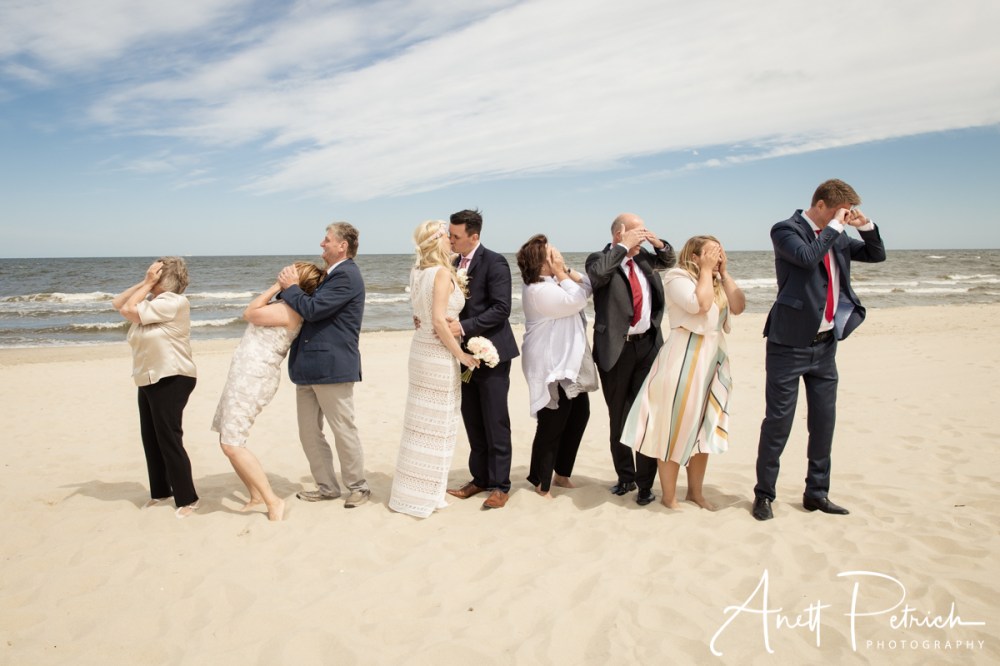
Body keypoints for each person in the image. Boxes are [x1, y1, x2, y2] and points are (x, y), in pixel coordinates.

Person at [752, 179, 886, 521]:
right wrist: (837, 226)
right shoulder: (786, 230)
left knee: (824, 422)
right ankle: (764, 495)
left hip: (826, 345)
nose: (843, 217)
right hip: (788, 344)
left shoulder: (837, 234)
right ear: (822, 205)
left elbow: (875, 254)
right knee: (778, 423)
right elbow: (807, 258)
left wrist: (864, 226)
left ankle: (816, 494)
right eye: (840, 211)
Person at [621, 236, 745, 509]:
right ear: (695, 255)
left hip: (711, 360)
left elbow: (738, 306)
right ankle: (669, 496)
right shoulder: (677, 277)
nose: (717, 257)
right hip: (682, 359)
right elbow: (698, 305)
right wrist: (705, 271)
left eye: (720, 252)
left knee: (703, 428)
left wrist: (723, 274)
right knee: (673, 428)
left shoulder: (715, 281)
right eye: (712, 253)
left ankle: (695, 493)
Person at [211, 262, 324, 522]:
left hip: (253, 378)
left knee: (232, 443)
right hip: (244, 375)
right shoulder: (284, 307)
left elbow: (249, 312)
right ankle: (256, 496)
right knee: (227, 438)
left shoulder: (288, 310)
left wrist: (277, 286)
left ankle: (273, 501)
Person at [389, 221, 480, 518]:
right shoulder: (440, 273)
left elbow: (420, 314)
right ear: (436, 240)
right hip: (438, 355)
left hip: (420, 350)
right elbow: (440, 321)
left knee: (420, 423)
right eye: (445, 235)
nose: (450, 240)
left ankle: (414, 490)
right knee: (438, 424)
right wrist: (462, 357)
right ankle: (428, 494)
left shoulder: (417, 272)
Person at [279, 222, 371, 509]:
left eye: (327, 240)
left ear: (342, 245)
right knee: (308, 431)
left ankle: (358, 487)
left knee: (343, 429)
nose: (322, 244)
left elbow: (313, 309)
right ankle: (327, 487)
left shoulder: (347, 276)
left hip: (332, 366)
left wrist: (291, 287)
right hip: (307, 367)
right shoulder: (331, 276)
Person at [586, 213, 676, 506]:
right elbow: (598, 277)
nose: (643, 236)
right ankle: (625, 477)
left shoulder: (645, 259)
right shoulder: (599, 259)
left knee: (646, 415)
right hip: (617, 349)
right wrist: (622, 247)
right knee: (620, 417)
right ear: (620, 233)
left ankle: (645, 484)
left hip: (648, 347)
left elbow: (670, 260)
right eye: (638, 232)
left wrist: (657, 242)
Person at [112, 257, 199, 519]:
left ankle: (188, 498)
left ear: (163, 278)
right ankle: (161, 492)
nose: (148, 276)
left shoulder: (173, 302)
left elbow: (127, 310)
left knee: (169, 438)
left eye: (152, 273)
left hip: (172, 376)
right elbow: (118, 303)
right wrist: (147, 282)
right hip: (149, 377)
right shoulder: (153, 303)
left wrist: (150, 283)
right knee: (151, 438)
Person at [445, 209, 520, 510]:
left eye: (456, 236)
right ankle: (480, 478)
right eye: (450, 235)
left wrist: (463, 327)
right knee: (473, 419)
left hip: (492, 354)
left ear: (474, 236)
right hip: (462, 355)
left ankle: (501, 485)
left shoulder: (495, 262)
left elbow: (501, 309)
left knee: (495, 420)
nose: (450, 241)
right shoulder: (450, 263)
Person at [517, 234, 598, 497]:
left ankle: (562, 473)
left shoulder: (553, 282)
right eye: (552, 255)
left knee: (578, 414)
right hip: (551, 363)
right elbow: (577, 299)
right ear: (541, 262)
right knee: (552, 422)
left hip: (568, 361)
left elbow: (587, 286)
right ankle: (541, 481)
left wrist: (566, 271)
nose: (558, 257)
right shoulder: (539, 290)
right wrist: (563, 273)